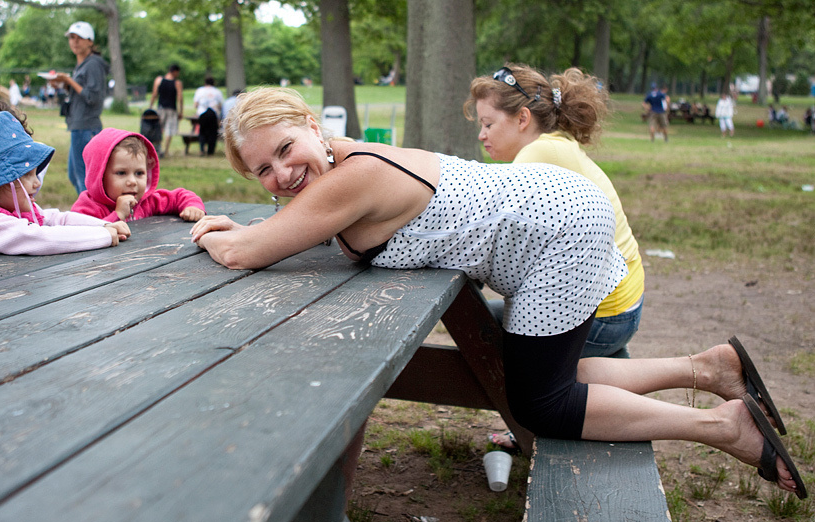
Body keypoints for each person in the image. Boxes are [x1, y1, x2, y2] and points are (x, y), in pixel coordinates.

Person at [189, 87, 806, 500]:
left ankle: (723, 426)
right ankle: (709, 369)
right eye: (263, 170)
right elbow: (301, 231)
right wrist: (255, 230)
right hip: (557, 217)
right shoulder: (342, 167)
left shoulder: (356, 174)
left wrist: (216, 233)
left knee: (542, 405)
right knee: (547, 375)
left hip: (557, 235)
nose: (281, 174)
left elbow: (246, 254)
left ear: (310, 126)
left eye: (285, 150)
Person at [465, 64, 644, 363]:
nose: (482, 135)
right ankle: (608, 369)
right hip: (622, 303)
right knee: (488, 316)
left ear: (523, 118)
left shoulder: (538, 154)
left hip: (605, 315)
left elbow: (490, 230)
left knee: (480, 326)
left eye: (488, 124)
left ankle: (592, 374)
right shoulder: (555, 143)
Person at [0, 111, 129, 268]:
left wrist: (103, 226)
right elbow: (39, 238)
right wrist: (102, 237)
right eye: (27, 175)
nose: (37, 183)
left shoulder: (10, 209)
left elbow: (57, 218)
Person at [71, 128, 206, 222]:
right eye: (121, 173)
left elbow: (178, 196)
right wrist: (118, 215)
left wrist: (193, 206)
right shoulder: (88, 208)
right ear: (99, 177)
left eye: (139, 173)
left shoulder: (147, 202)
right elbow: (77, 236)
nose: (132, 181)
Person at [52, 21, 109, 194]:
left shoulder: (93, 64)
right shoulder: (82, 64)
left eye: (80, 38)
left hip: (86, 126)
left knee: (83, 178)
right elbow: (80, 93)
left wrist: (69, 81)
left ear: (90, 41)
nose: (75, 42)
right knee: (74, 175)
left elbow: (94, 97)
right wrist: (63, 85)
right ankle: (88, 207)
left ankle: (89, 210)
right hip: (78, 125)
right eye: (71, 37)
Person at [149, 64, 184, 157]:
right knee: (169, 129)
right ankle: (165, 150)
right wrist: (181, 111)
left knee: (159, 128)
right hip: (172, 109)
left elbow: (154, 94)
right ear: (175, 71)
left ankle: (158, 148)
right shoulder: (177, 83)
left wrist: (150, 106)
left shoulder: (159, 80)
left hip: (160, 108)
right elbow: (180, 97)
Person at [193, 76, 224, 156]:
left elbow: (195, 104)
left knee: (202, 132)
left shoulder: (200, 90)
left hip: (202, 113)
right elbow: (220, 106)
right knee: (213, 132)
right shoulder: (217, 92)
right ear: (214, 83)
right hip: (213, 114)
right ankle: (210, 151)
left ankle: (202, 149)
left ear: (205, 83)